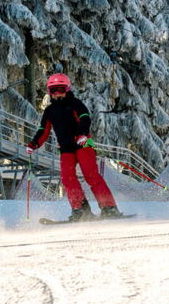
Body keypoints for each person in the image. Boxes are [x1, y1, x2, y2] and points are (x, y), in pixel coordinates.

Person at [26, 73, 122, 221]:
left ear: (67, 89)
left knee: (91, 174)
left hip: (83, 143)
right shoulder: (50, 111)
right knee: (67, 178)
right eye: (53, 90)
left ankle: (109, 208)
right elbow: (43, 130)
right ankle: (80, 210)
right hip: (66, 148)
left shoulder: (75, 104)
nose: (57, 94)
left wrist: (83, 134)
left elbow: (85, 118)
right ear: (49, 92)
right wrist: (34, 144)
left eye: (60, 89)